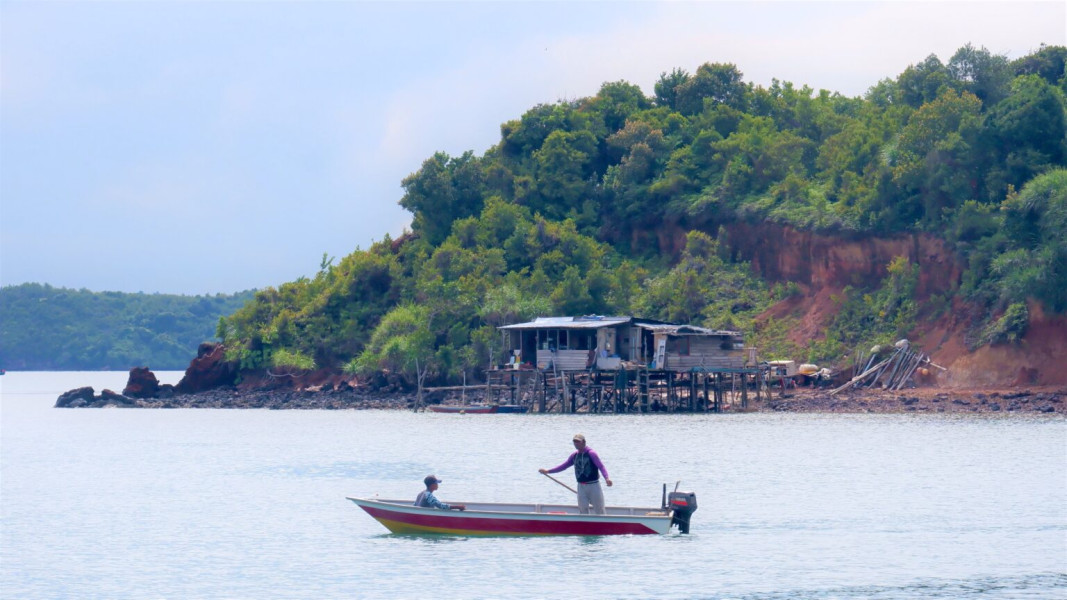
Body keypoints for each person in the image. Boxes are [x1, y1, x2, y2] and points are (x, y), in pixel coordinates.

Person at [539, 434, 613, 514]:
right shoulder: (574, 455)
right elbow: (563, 466)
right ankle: (585, 525)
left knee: (599, 510)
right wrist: (548, 471)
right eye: (574, 442)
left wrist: (607, 478)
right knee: (583, 509)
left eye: (578, 442)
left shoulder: (591, 453)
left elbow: (601, 466)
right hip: (581, 486)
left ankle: (602, 524)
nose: (576, 444)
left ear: (584, 442)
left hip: (594, 486)